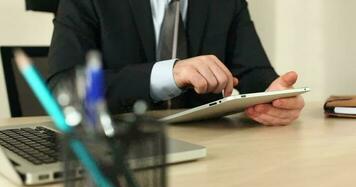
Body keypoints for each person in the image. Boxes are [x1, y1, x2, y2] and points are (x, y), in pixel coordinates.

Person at [48, 0, 305, 126]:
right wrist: (169, 73)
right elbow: (64, 86)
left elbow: (256, 75)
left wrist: (278, 98)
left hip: (209, 155)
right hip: (118, 152)